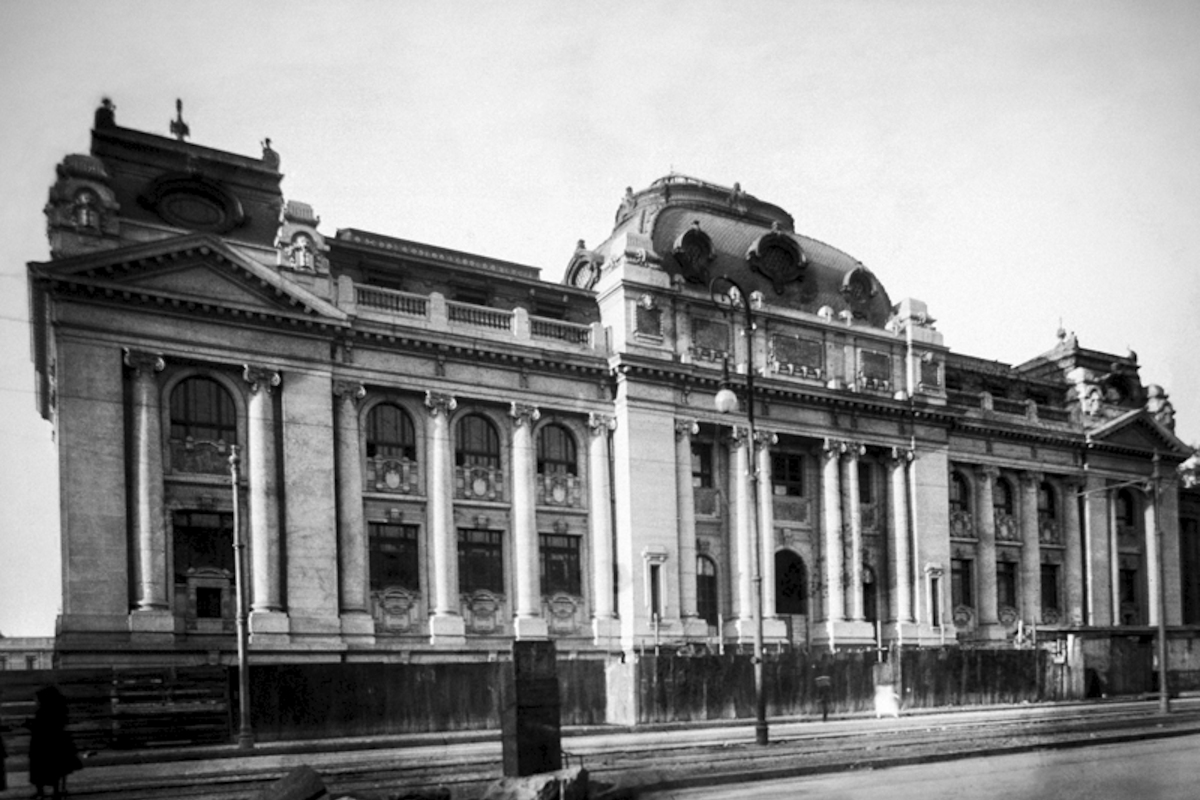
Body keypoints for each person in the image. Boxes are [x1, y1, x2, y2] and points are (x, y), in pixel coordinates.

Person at [26, 686, 81, 799]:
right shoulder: (59, 710)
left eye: (37, 698)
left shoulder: (43, 711)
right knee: (56, 768)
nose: (35, 701)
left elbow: (40, 727)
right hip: (57, 743)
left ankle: (41, 791)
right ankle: (56, 791)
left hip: (41, 744)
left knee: (39, 768)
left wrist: (29, 725)